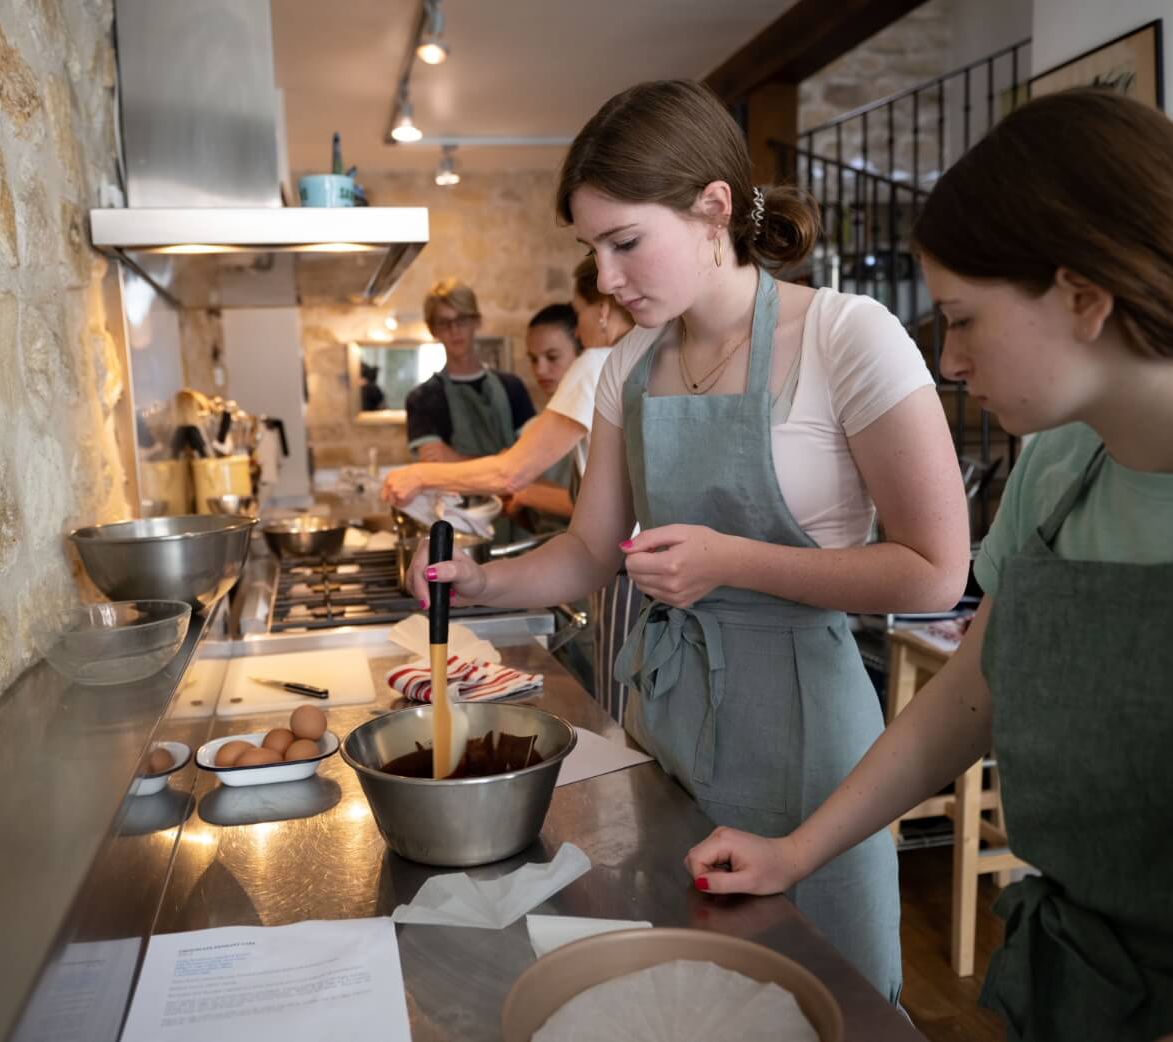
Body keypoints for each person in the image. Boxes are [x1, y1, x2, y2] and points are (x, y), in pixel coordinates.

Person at [684, 89, 1173, 1042]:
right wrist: (798, 850)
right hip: (1070, 981)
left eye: (963, 319)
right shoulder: (1063, 466)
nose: (949, 360)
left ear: (1084, 296)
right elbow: (973, 691)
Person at [406, 79, 969, 1000]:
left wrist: (728, 561)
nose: (608, 279)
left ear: (714, 208)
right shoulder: (629, 364)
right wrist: (480, 583)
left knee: (831, 997)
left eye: (626, 242)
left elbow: (937, 570)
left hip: (809, 743)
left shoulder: (845, 338)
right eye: (594, 250)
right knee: (689, 995)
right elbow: (589, 551)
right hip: (665, 722)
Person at [383, 269, 633, 518]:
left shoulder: (595, 363)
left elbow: (510, 472)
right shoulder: (631, 360)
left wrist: (418, 475)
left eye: (578, 314)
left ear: (603, 310)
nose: (577, 332)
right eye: (444, 323)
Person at [403, 278, 536, 463]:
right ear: (433, 330)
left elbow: (532, 457)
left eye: (462, 319)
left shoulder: (512, 387)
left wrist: (456, 458)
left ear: (477, 321)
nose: (454, 330)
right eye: (444, 322)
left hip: (515, 491)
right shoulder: (421, 399)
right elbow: (434, 464)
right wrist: (503, 461)